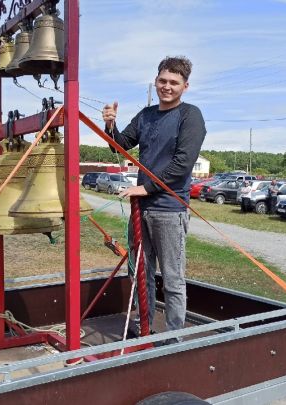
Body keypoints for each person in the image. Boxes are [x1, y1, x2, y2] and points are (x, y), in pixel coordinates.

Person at [102, 56, 206, 339]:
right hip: (141, 208)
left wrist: (146, 188)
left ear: (185, 86)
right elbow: (120, 146)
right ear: (155, 81)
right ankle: (144, 328)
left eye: (174, 82)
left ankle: (173, 336)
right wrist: (110, 126)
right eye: (162, 81)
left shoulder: (190, 116)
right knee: (140, 275)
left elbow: (182, 164)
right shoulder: (146, 116)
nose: (167, 87)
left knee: (172, 277)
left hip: (169, 209)